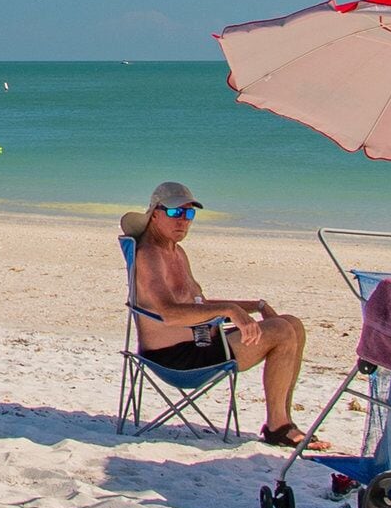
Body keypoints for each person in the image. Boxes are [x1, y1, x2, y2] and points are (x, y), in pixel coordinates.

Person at [122, 182, 311, 442]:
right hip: (177, 358)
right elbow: (169, 313)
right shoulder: (150, 256)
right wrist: (231, 310)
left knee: (293, 324)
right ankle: (278, 427)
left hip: (201, 342)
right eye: (176, 213)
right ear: (155, 213)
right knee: (281, 331)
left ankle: (283, 421)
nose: (183, 222)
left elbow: (198, 303)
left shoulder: (176, 252)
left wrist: (256, 306)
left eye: (189, 214)